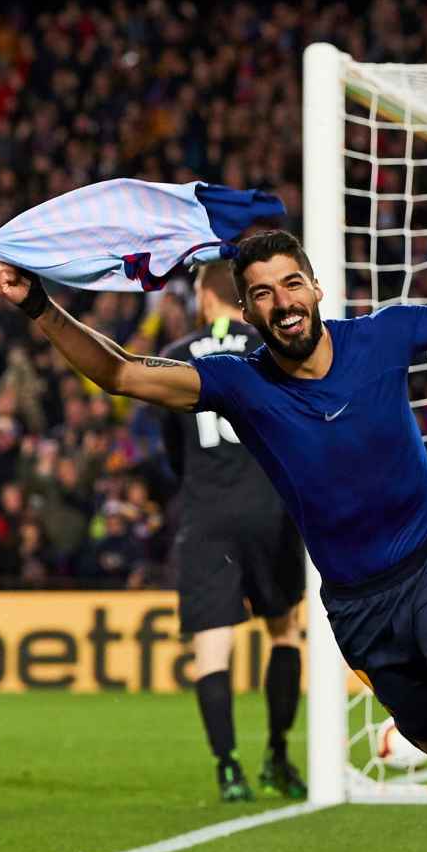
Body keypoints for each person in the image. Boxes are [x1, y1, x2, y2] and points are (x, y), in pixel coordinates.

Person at [0, 179, 427, 852]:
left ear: (315, 287)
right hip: (358, 602)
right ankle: (412, 731)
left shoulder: (382, 337)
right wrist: (39, 305)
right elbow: (122, 372)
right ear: (246, 310)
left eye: (292, 284)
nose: (283, 302)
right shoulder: (239, 384)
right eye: (264, 294)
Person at [159, 261, 306, 801]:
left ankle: (228, 770)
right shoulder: (273, 348)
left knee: (212, 650)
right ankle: (278, 756)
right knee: (283, 631)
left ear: (204, 295)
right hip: (272, 509)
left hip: (207, 517)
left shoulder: (175, 357)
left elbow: (172, 451)